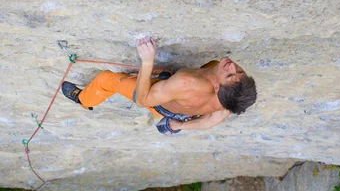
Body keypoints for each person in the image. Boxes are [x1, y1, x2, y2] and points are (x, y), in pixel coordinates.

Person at [61, 37, 257, 135]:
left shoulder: (186, 83)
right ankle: (164, 81)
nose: (232, 65)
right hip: (179, 107)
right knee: (213, 65)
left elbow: (142, 99)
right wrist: (181, 125)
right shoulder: (231, 100)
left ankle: (84, 100)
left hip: (156, 102)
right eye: (239, 72)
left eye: (229, 74)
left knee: (106, 80)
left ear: (217, 88)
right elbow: (208, 122)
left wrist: (147, 61)